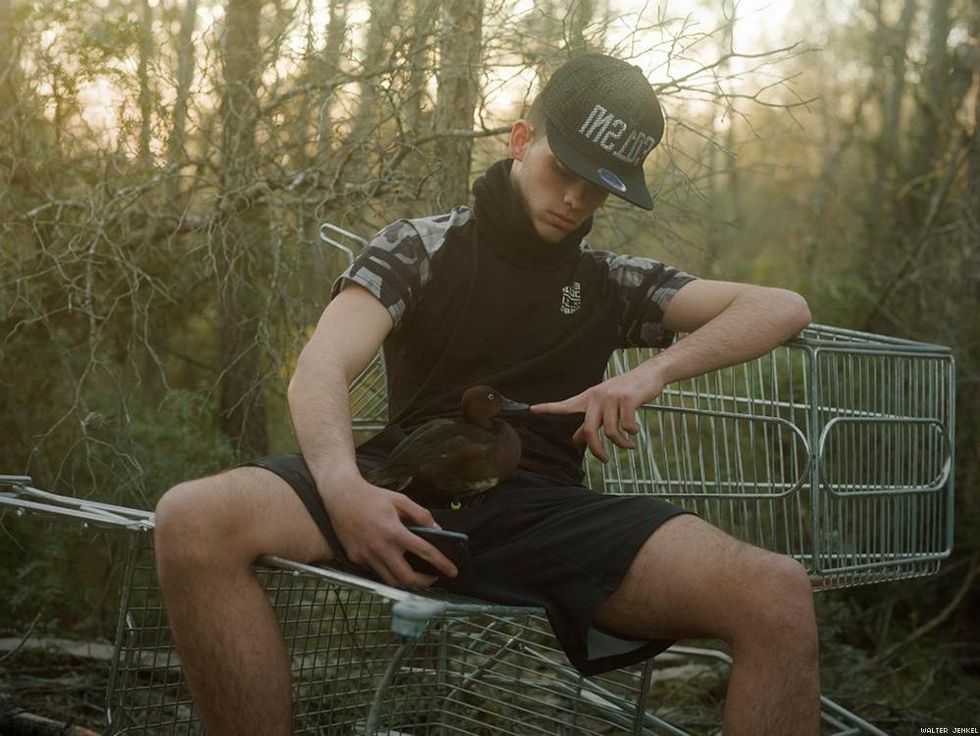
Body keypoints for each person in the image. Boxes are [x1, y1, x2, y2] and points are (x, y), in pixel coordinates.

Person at [154, 53, 819, 735]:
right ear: (522, 141)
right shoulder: (422, 246)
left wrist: (651, 372)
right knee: (194, 517)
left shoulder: (611, 282)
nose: (577, 201)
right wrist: (342, 487)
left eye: (600, 188)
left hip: (544, 513)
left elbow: (780, 307)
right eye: (566, 171)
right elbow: (319, 364)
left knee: (776, 594)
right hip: (404, 484)